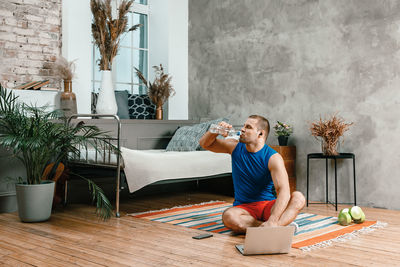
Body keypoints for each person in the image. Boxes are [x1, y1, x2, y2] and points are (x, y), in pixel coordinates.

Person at [199, 115, 305, 233]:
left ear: (260, 134)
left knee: (298, 198)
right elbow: (205, 144)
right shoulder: (234, 147)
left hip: (268, 206)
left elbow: (283, 191)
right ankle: (277, 228)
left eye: (248, 127)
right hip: (245, 209)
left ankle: (273, 225)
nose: (242, 129)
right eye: (244, 126)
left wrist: (273, 219)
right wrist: (215, 130)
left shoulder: (273, 157)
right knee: (229, 217)